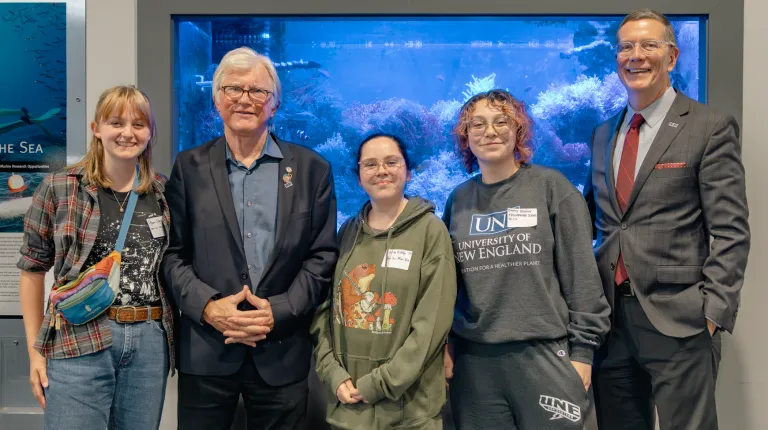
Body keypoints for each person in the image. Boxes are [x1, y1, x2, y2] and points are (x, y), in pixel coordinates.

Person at [583, 9, 751, 430]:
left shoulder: (708, 127)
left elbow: (731, 230)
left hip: (681, 320)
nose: (635, 56)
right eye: (625, 47)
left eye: (648, 45)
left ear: (672, 57)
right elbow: (595, 218)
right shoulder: (604, 133)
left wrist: (713, 312)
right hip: (610, 322)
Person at [161, 46, 338, 429]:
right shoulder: (188, 167)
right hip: (208, 350)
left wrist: (281, 310)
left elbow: (322, 256)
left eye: (258, 91)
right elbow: (173, 255)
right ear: (216, 99)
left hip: (281, 350)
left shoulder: (312, 170)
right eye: (233, 89)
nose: (245, 99)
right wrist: (208, 307)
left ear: (274, 103)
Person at [442, 89, 611, 429]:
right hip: (476, 363)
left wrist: (583, 354)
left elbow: (582, 278)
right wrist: (446, 346)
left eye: (501, 121)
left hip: (546, 355)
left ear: (518, 130)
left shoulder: (552, 188)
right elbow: (449, 287)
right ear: (465, 137)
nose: (490, 132)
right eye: (478, 124)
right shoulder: (459, 200)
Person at [17, 85, 175, 429]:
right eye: (116, 122)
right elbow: (31, 272)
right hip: (77, 337)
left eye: (138, 124)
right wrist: (34, 351)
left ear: (150, 132)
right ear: (96, 129)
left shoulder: (163, 192)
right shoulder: (59, 187)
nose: (127, 133)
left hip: (149, 341)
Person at [311, 133, 457, 430]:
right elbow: (325, 312)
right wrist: (333, 375)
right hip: (347, 406)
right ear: (358, 176)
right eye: (370, 164)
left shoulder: (431, 231)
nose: (381, 171)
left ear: (408, 170)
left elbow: (431, 325)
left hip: (409, 412)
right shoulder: (347, 232)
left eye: (391, 162)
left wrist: (380, 384)